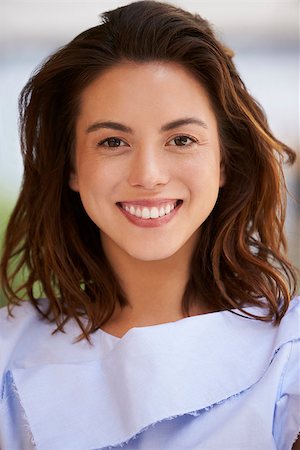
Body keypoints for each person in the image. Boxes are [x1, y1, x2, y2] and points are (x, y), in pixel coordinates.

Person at [0, 1, 299, 448]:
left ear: (223, 162)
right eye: (113, 141)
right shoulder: (9, 347)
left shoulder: (290, 351)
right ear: (73, 168)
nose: (148, 175)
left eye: (181, 139)